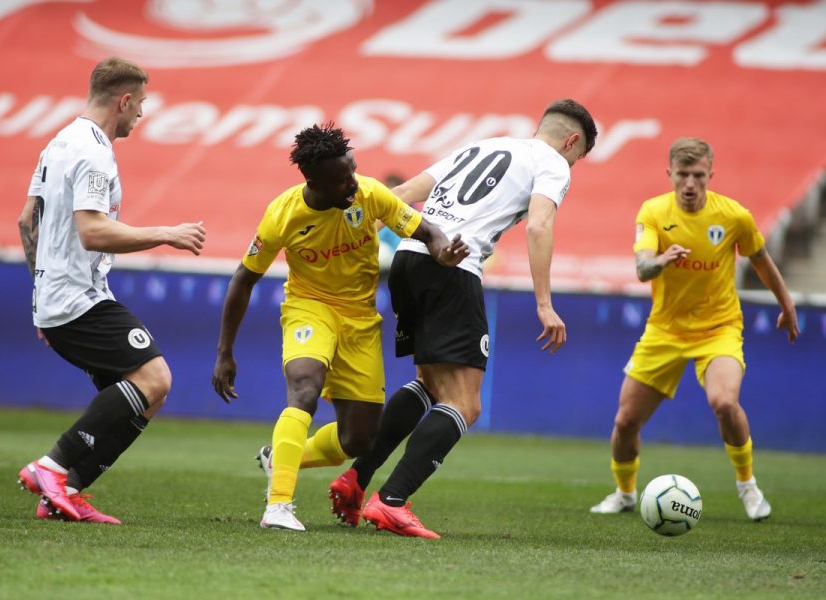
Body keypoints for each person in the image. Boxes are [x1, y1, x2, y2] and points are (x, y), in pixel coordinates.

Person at [329, 99, 598, 538]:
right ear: (571, 141)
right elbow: (538, 226)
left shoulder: (483, 145)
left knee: (430, 383)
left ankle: (356, 480)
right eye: (578, 156)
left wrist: (350, 250)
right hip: (452, 267)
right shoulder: (553, 163)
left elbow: (401, 194)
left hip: (409, 258)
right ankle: (392, 501)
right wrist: (544, 303)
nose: (572, 164)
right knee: (465, 403)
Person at [211, 123, 468, 532]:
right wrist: (225, 352)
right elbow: (244, 278)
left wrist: (444, 251)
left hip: (360, 319)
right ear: (314, 182)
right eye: (342, 179)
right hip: (309, 308)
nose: (353, 183)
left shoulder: (369, 194)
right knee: (304, 387)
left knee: (359, 439)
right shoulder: (282, 214)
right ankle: (278, 505)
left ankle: (281, 457)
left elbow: (426, 231)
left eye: (352, 171)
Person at [16, 57, 207, 524]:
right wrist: (167, 233)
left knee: (148, 395)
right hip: (76, 297)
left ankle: (65, 492)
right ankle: (51, 467)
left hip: (61, 298)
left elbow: (26, 222)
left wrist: (42, 296)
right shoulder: (93, 151)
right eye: (140, 103)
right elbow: (93, 232)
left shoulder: (59, 142)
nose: (141, 112)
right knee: (156, 378)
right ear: (124, 100)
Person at [589, 137, 799, 520]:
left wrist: (787, 304)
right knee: (625, 421)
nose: (689, 184)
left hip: (718, 328)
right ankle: (624, 493)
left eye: (698, 175)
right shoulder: (654, 212)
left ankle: (748, 487)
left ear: (710, 175)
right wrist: (661, 260)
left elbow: (760, 259)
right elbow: (642, 269)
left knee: (724, 403)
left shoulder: (734, 216)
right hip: (665, 331)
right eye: (682, 174)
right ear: (669, 173)